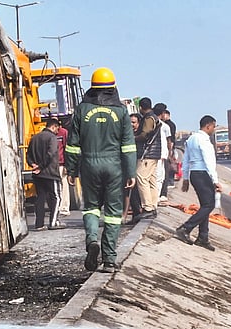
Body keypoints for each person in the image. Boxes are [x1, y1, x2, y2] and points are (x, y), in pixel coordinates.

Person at [65, 68, 136, 273]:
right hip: (114, 167)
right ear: (113, 87)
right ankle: (109, 260)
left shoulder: (81, 110)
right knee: (113, 214)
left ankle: (92, 240)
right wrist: (130, 172)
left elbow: (73, 144)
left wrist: (71, 169)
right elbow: (128, 145)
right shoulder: (121, 111)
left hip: (89, 165)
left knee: (91, 208)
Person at [173, 115, 220, 251]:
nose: (214, 129)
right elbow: (209, 162)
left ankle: (203, 237)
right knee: (209, 205)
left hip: (194, 174)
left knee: (205, 205)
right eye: (214, 126)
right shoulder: (204, 140)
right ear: (208, 126)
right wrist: (215, 180)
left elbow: (186, 159)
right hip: (202, 173)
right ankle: (186, 228)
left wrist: (186, 178)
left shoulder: (192, 138)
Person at [27, 117, 62, 230]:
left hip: (38, 175)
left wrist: (33, 165)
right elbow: (51, 154)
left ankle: (39, 224)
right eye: (57, 129)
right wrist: (41, 167)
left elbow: (28, 155)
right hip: (50, 173)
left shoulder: (35, 138)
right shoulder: (52, 138)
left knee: (40, 198)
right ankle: (53, 223)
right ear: (53, 126)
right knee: (56, 197)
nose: (57, 132)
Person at [133, 98, 165, 221]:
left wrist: (133, 137)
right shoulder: (154, 117)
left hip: (148, 154)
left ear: (141, 107)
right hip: (154, 154)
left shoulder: (148, 118)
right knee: (151, 181)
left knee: (141, 177)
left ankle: (148, 208)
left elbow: (145, 134)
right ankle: (152, 205)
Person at [159, 106, 177, 202]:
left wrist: (170, 152)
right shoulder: (164, 124)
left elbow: (170, 140)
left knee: (167, 169)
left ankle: (169, 184)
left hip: (166, 151)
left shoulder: (168, 125)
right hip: (164, 152)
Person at [55, 117, 71, 217]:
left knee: (64, 186)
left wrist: (67, 165)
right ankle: (56, 208)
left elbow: (67, 148)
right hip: (51, 165)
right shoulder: (49, 133)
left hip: (61, 163)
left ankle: (64, 208)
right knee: (55, 187)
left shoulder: (63, 132)